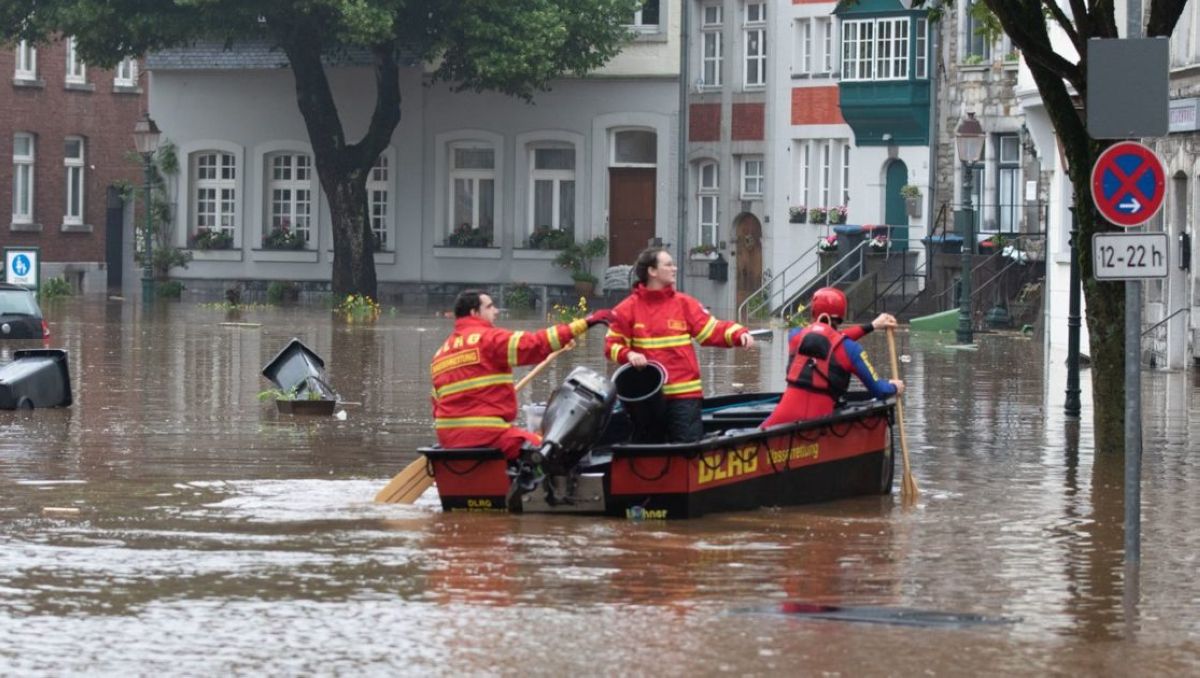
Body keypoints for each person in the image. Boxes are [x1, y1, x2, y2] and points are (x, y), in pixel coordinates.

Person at [431, 290, 613, 459]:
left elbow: (436, 404)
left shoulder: (440, 354)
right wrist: (586, 322)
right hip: (486, 435)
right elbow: (535, 344)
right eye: (489, 306)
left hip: (448, 439)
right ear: (474, 313)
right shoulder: (488, 339)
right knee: (549, 453)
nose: (496, 311)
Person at [604, 247, 755, 443]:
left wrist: (737, 333)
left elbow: (710, 330)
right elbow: (611, 346)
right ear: (652, 271)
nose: (674, 268)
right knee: (648, 450)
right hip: (647, 400)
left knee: (687, 450)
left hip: (685, 396)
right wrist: (628, 355)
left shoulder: (684, 304)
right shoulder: (626, 310)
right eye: (668, 265)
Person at [761, 287, 904, 428]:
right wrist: (894, 387)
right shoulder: (852, 350)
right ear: (842, 314)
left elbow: (830, 338)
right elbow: (880, 391)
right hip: (820, 422)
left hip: (782, 418)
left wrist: (872, 326)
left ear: (813, 312)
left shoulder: (795, 336)